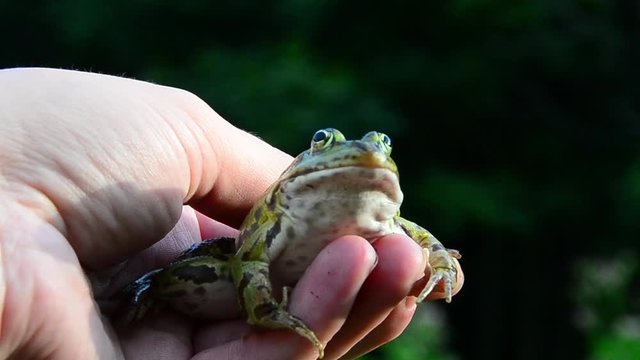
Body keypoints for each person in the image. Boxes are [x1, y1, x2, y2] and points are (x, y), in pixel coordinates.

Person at [0, 67, 463, 359]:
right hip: (234, 269)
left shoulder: (387, 215)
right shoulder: (286, 197)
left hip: (298, 281)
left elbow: (418, 237)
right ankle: (146, 289)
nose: (363, 152)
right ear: (304, 158)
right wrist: (264, 313)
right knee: (195, 274)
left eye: (381, 147)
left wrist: (441, 261)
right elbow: (251, 259)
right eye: (324, 142)